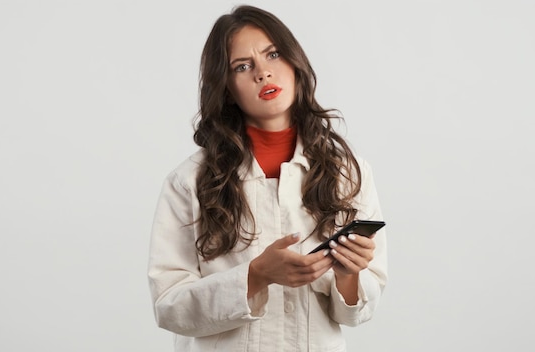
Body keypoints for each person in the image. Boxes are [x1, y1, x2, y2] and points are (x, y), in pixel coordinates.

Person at [147, 5, 387, 351]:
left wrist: (348, 274)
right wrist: (256, 276)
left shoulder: (348, 172)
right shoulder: (189, 182)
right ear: (227, 87)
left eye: (273, 54)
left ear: (294, 62)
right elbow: (169, 306)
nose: (263, 73)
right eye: (242, 66)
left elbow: (356, 312)